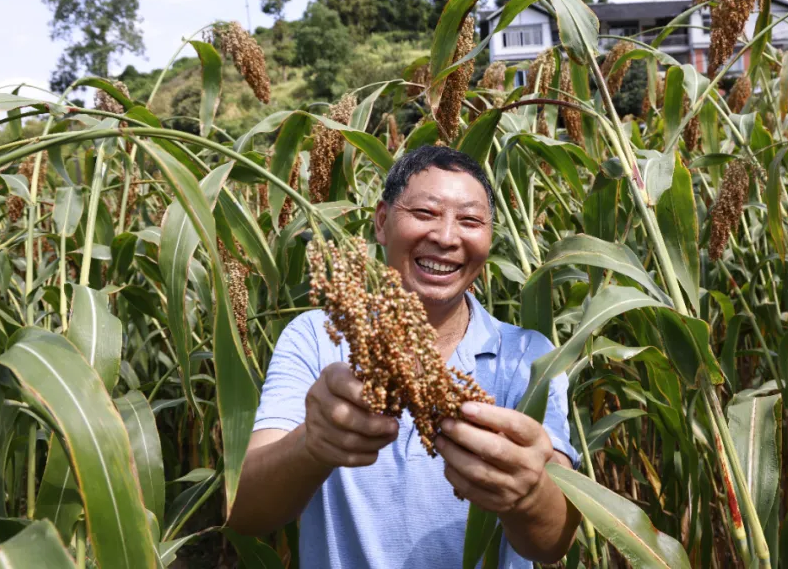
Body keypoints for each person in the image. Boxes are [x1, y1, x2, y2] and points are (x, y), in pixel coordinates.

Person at [227, 146, 581, 568]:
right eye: (426, 213)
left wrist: (531, 492)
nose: (447, 237)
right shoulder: (316, 338)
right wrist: (311, 444)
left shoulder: (529, 357)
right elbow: (243, 511)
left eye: (469, 220)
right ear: (381, 222)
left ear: (488, 239)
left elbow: (551, 541)